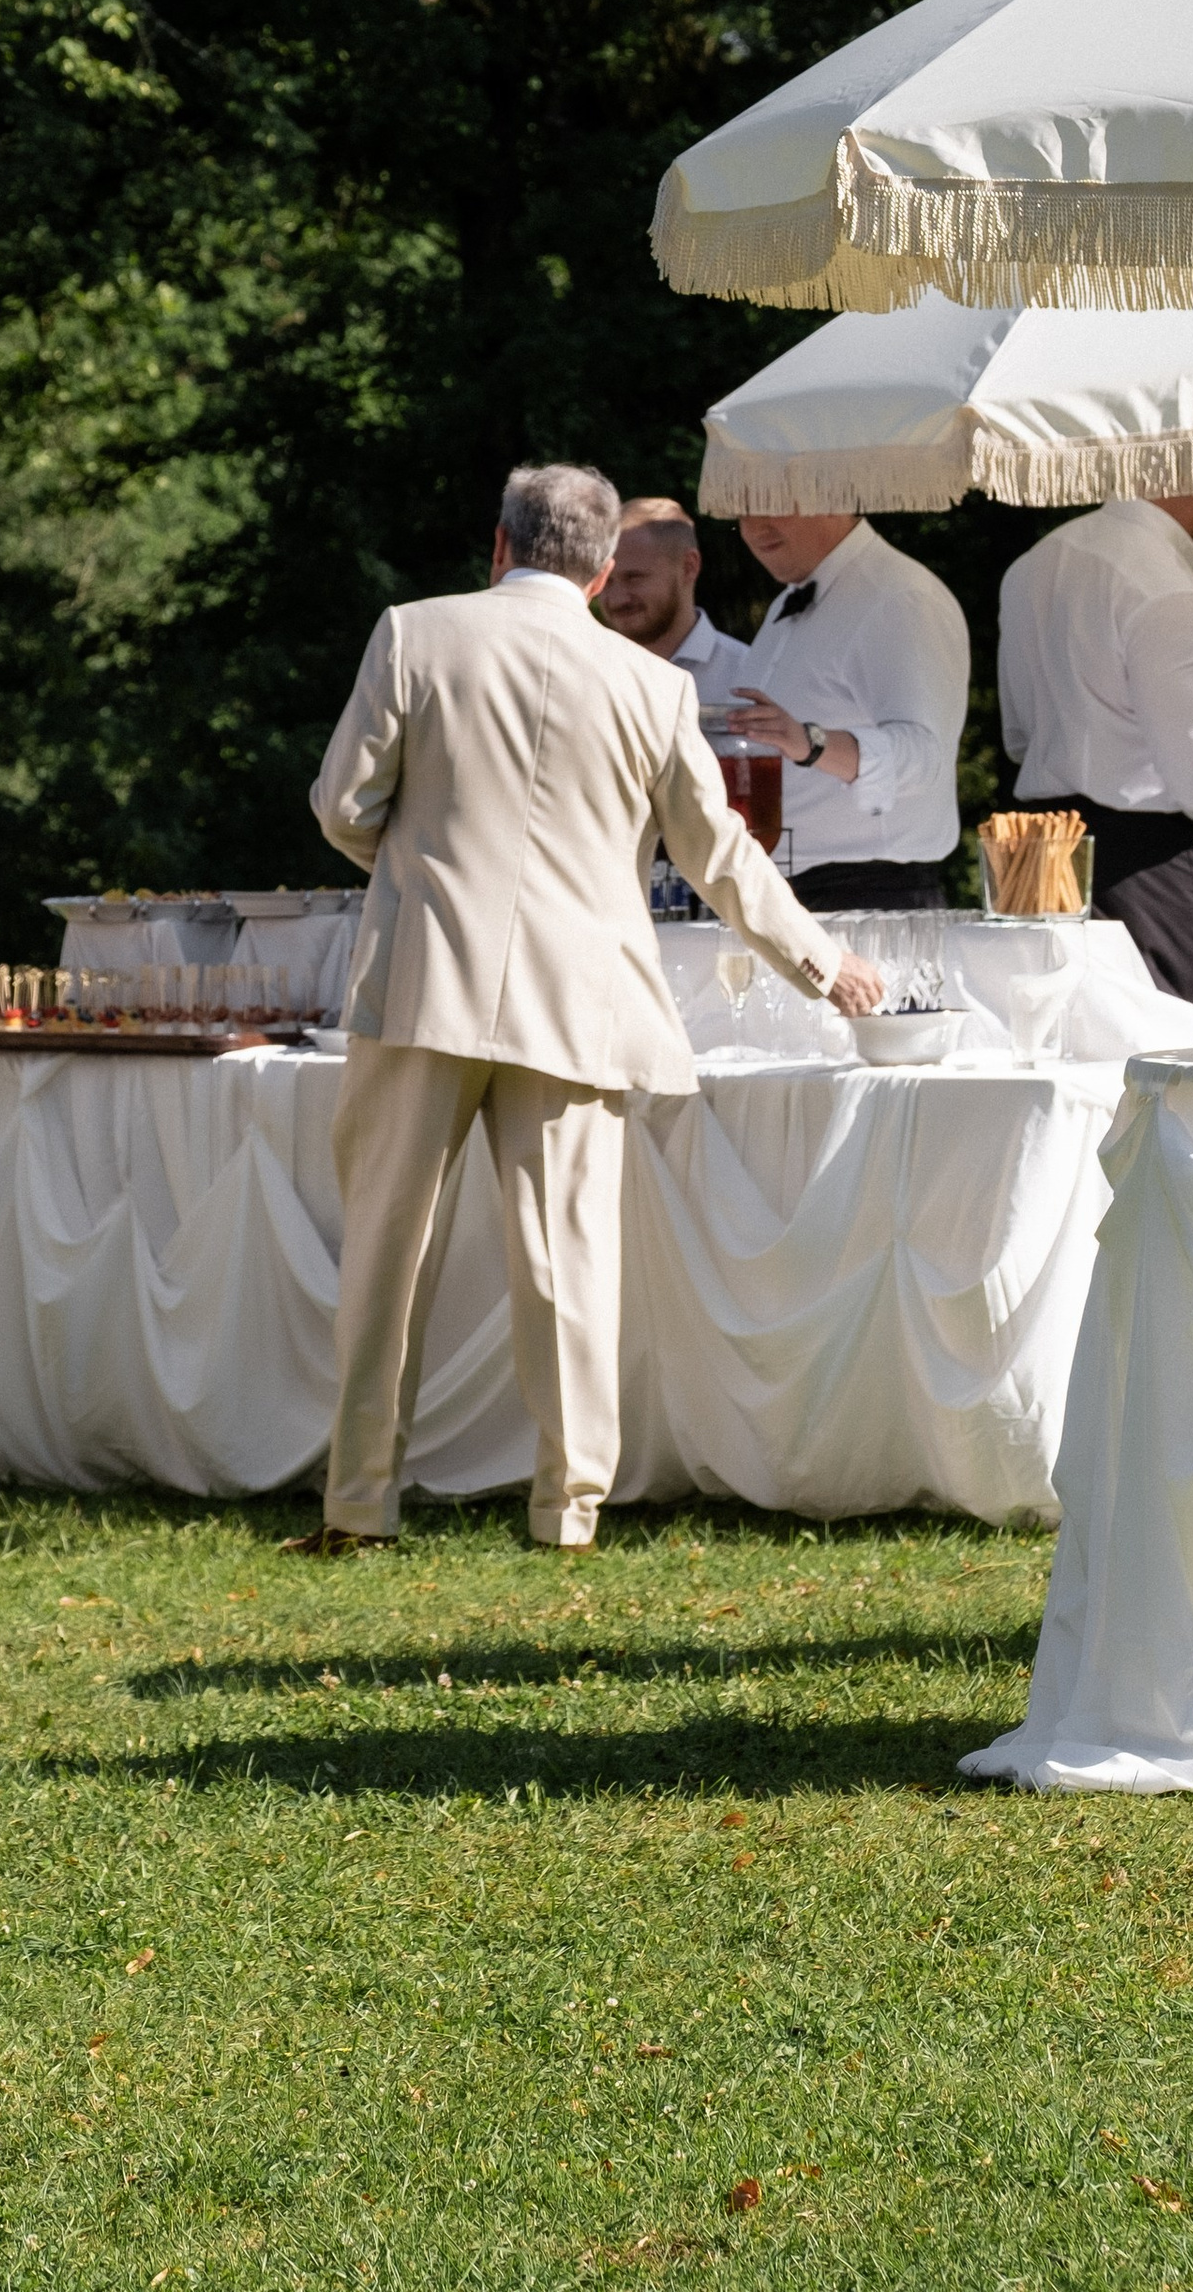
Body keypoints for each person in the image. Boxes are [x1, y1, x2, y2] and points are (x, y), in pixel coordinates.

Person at [294, 463, 887, 1560]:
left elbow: (342, 804)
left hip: (424, 977)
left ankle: (355, 1509)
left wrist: (423, 865)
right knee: (567, 1263)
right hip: (579, 995)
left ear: (499, 546)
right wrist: (822, 959)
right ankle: (567, 1514)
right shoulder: (654, 688)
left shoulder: (412, 634)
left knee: (386, 1252)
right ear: (605, 567)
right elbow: (720, 860)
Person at [998, 492, 1193, 1005]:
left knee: (1061, 1043)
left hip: (1042, 849)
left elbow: (1019, 738)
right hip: (1148, 870)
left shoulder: (1033, 565)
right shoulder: (1166, 590)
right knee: (1165, 1058)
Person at [719, 511, 970, 913]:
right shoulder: (790, 601)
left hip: (873, 900)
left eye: (776, 502)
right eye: (744, 511)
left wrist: (811, 743)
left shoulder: (899, 596)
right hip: (783, 893)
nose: (755, 527)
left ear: (833, 493)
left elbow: (925, 757)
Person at [593, 498, 752, 709]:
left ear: (689, 566)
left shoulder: (750, 677)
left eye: (634, 577)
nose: (617, 598)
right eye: (607, 581)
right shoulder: (586, 674)